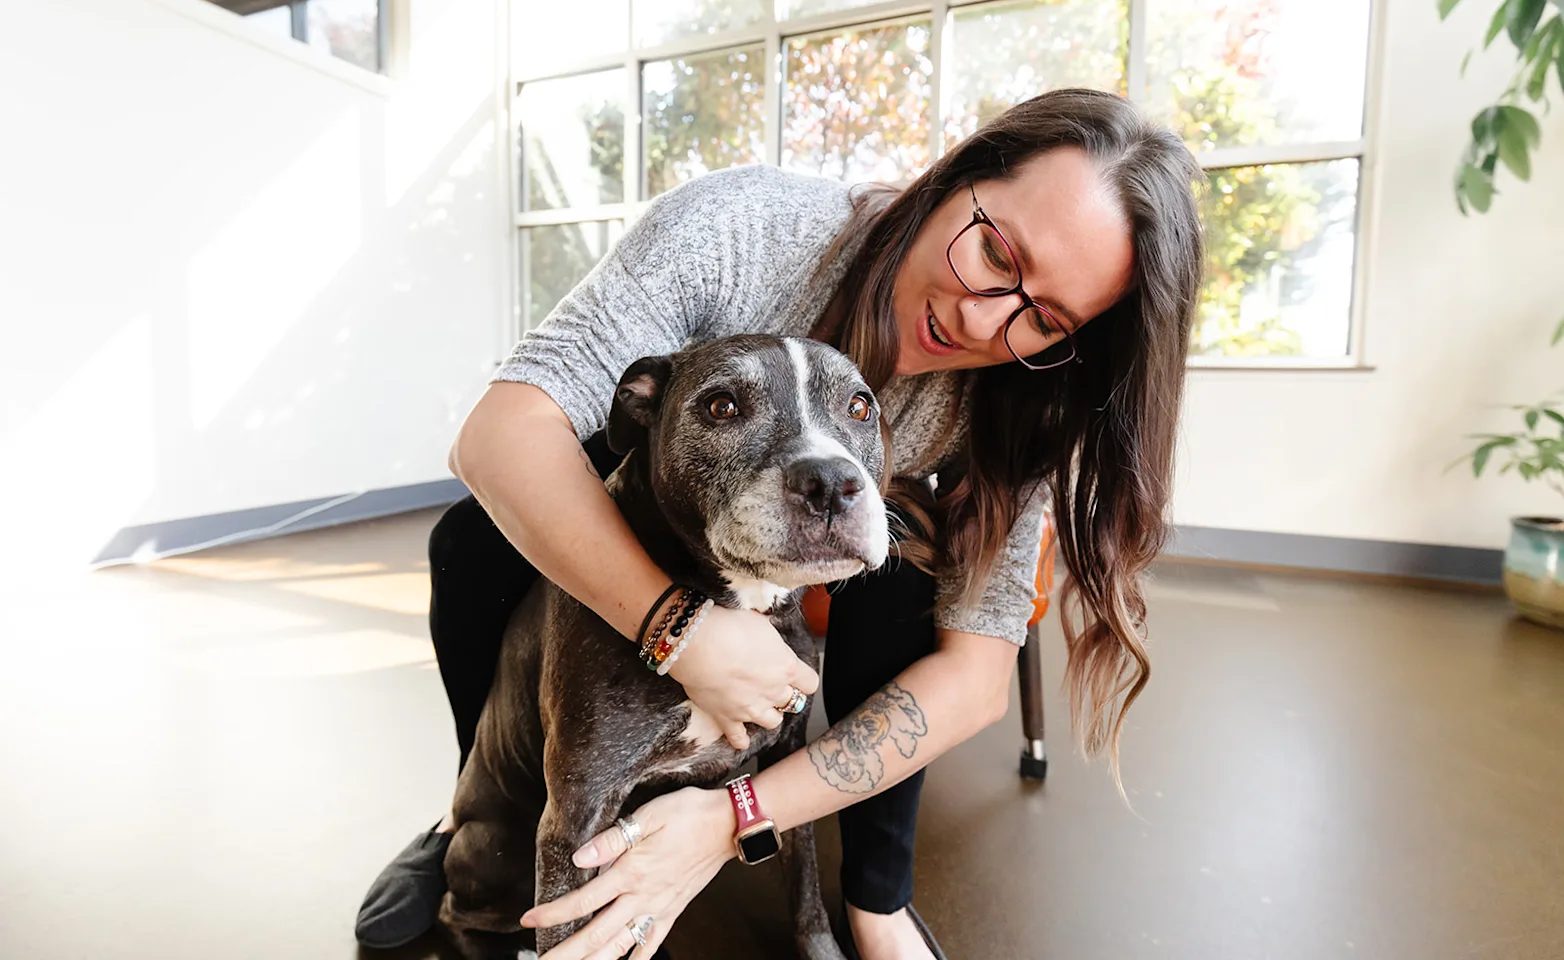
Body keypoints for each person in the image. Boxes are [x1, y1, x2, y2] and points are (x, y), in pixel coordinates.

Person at [355, 88, 1204, 960]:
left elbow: (976, 677)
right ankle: (471, 811)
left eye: (1045, 318)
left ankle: (878, 902)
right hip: (667, 501)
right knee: (473, 538)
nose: (982, 317)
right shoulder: (747, 228)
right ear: (956, 178)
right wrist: (679, 630)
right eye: (994, 252)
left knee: (909, 577)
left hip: (825, 548)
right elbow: (496, 436)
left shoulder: (1021, 396)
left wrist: (736, 815)